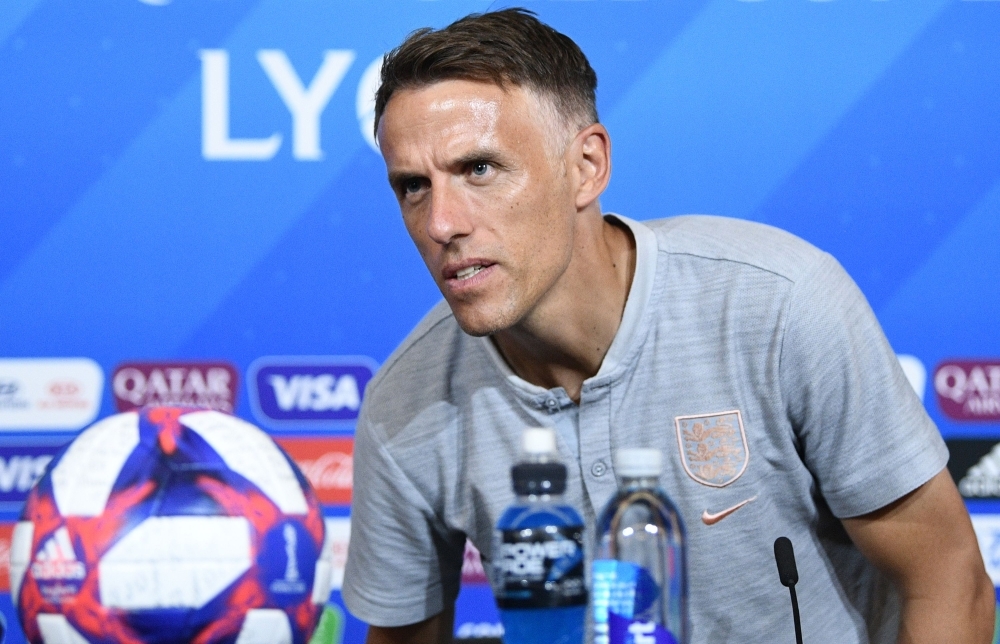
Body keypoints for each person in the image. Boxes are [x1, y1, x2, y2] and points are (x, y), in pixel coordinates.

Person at [342, 8, 994, 644]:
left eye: (479, 169)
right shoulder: (404, 403)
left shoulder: (781, 305)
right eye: (412, 187)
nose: (441, 224)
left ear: (587, 167)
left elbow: (947, 581)